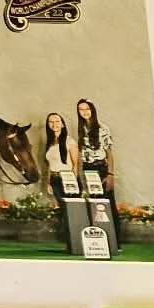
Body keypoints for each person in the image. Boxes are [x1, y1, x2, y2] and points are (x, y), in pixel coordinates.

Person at [75, 98, 118, 241]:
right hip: (88, 169)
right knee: (94, 202)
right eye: (81, 109)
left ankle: (115, 239)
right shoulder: (82, 130)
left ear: (92, 110)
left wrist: (110, 173)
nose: (84, 112)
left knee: (107, 202)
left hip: (101, 167)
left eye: (87, 109)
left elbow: (109, 152)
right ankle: (98, 236)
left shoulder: (102, 128)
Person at [42, 111, 75, 196]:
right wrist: (49, 182)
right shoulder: (50, 143)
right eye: (51, 122)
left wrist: (73, 183)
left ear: (62, 124)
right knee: (57, 206)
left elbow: (75, 165)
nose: (54, 124)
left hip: (66, 178)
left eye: (57, 121)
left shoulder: (70, 141)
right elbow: (50, 165)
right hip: (54, 178)